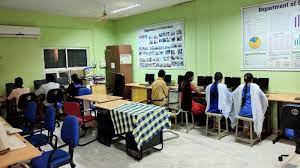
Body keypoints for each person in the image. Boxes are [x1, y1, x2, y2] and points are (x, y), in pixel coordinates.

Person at [232, 73, 268, 137]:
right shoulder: (255, 87)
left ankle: (246, 130)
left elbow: (233, 95)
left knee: (246, 111)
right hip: (250, 113)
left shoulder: (240, 87)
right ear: (252, 79)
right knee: (261, 113)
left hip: (241, 112)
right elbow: (264, 99)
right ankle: (256, 131)